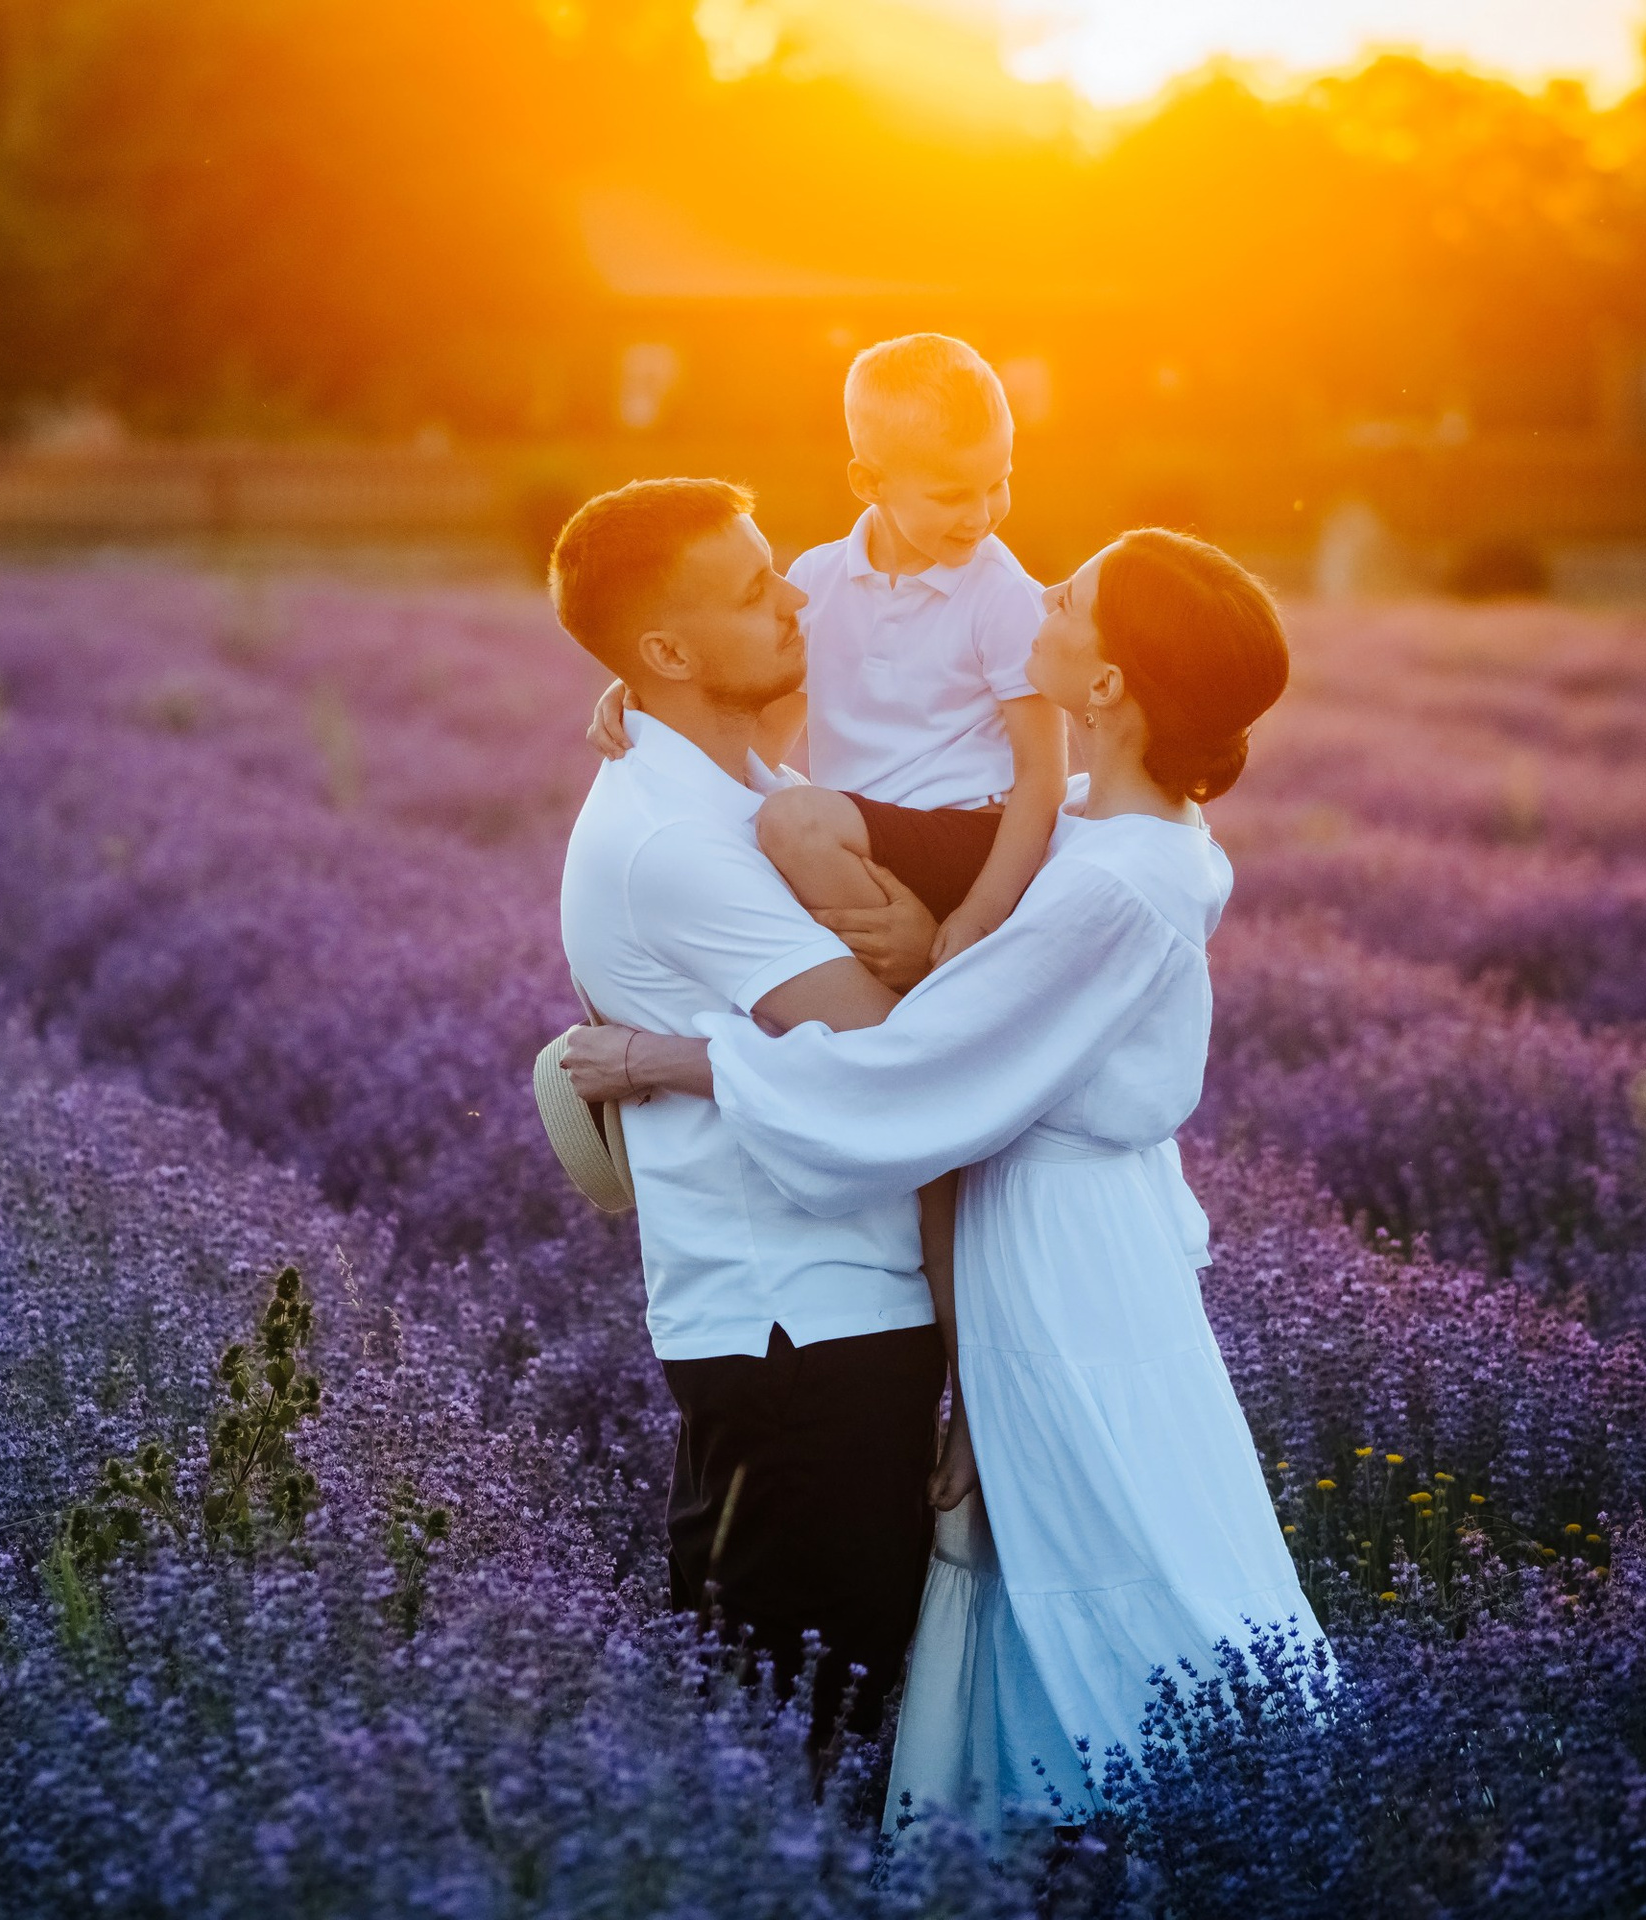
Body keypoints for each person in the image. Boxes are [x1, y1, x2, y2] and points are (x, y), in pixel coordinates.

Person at [564, 528, 1330, 1847]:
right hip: (1028, 1242)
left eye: (1071, 597)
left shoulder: (1125, 882)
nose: (1037, 596)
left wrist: (666, 1057)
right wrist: (661, 712)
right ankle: (1102, 1838)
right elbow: (884, 816)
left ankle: (1179, 1836)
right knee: (1043, 1542)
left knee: (1105, 1534)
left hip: (1061, 1253)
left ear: (1108, 687)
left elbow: (920, 1066)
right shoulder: (1104, 832)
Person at [546, 475, 957, 1753]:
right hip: (799, 1326)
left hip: (824, 1312)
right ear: (664, 653)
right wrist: (941, 955)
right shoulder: (679, 836)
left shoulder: (737, 787)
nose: (794, 599)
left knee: (799, 1715)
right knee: (807, 1736)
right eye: (750, 591)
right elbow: (885, 1052)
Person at [587, 332, 1068, 988]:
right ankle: (841, 1006)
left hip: (972, 841)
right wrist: (644, 695)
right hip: (863, 844)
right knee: (761, 827)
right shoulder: (819, 577)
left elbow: (1043, 776)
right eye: (953, 495)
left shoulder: (1004, 597)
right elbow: (760, 735)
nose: (982, 515)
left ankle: (896, 1008)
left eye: (999, 482)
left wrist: (982, 915)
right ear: (869, 482)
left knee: (792, 820)